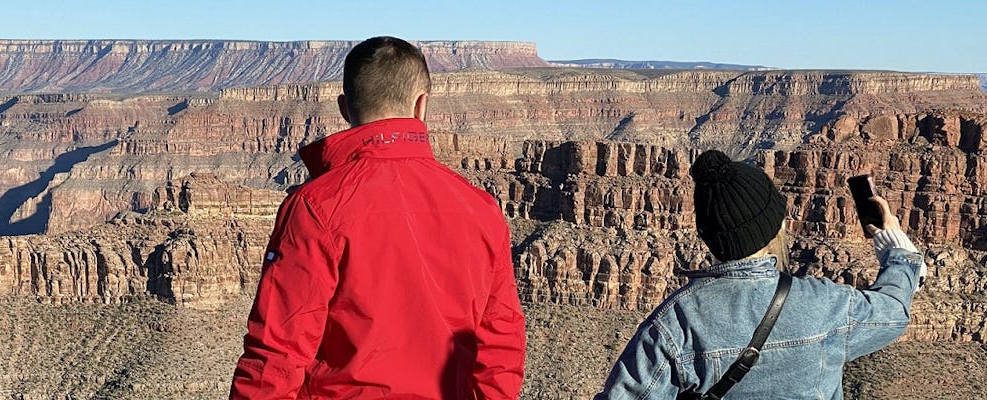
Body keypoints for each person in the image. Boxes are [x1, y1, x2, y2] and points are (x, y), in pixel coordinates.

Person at [230, 36, 526, 399]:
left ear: (344, 108)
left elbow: (277, 354)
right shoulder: (481, 208)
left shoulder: (315, 206)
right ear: (422, 105)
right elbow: (501, 350)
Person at [595, 149, 926, 399]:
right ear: (777, 226)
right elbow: (894, 309)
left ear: (707, 234)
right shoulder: (828, 304)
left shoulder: (675, 324)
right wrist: (895, 246)